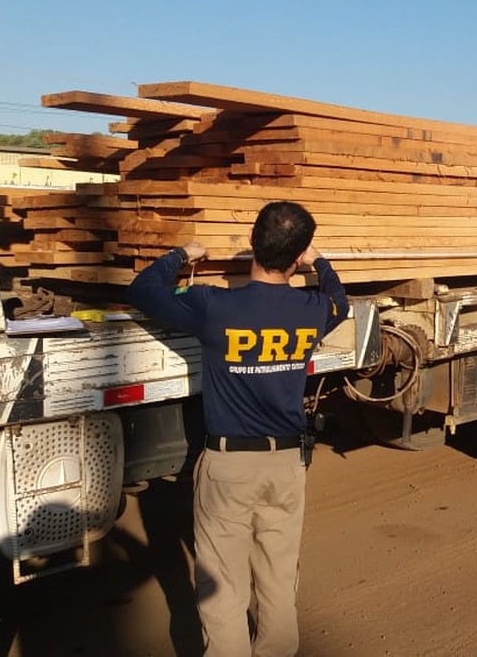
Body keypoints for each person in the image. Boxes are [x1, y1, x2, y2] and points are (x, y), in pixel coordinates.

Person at [126, 200, 349, 656]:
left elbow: (143, 290)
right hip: (287, 465)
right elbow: (340, 302)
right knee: (279, 577)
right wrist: (320, 262)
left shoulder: (213, 305)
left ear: (251, 243)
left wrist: (183, 255)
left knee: (223, 590)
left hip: (230, 467)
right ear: (298, 255)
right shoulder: (313, 309)